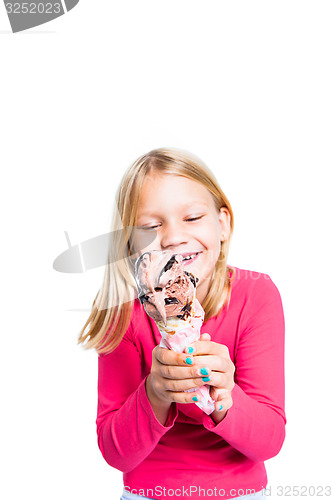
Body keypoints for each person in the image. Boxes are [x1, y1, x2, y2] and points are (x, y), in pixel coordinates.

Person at [78, 148, 286, 500]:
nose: (173, 237)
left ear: (222, 224)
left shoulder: (257, 295)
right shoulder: (122, 314)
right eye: (150, 226)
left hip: (241, 492)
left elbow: (269, 442)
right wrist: (155, 392)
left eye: (191, 218)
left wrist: (224, 397)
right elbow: (115, 452)